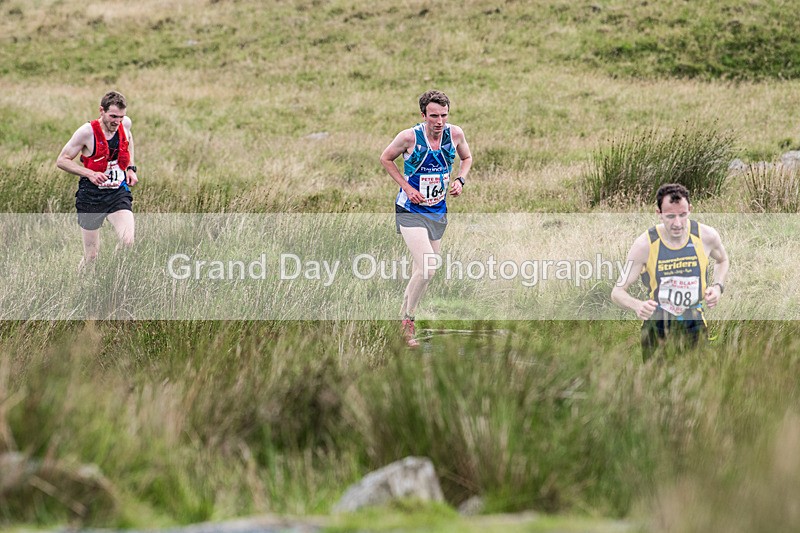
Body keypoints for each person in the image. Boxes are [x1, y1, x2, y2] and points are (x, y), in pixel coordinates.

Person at [379, 90, 473, 347]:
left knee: (425, 271)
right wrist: (407, 188)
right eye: (433, 116)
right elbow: (386, 158)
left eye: (443, 115)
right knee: (429, 266)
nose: (439, 121)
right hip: (410, 209)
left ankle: (400, 320)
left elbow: (467, 157)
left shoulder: (455, 134)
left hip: (437, 210)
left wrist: (460, 180)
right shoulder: (409, 137)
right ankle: (407, 324)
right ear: (424, 115)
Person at [611, 183, 730, 360]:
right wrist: (638, 305)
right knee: (658, 386)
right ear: (658, 213)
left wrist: (718, 287)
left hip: (694, 324)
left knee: (699, 385)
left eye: (683, 215)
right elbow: (617, 292)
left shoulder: (706, 235)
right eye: (670, 216)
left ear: (690, 209)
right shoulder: (644, 245)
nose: (677, 223)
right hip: (657, 327)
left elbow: (722, 260)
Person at [56, 91, 138, 270]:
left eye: (121, 117)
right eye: (113, 116)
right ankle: (81, 285)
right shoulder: (86, 132)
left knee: (127, 242)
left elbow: (129, 140)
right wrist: (89, 174)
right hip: (91, 196)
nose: (117, 121)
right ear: (102, 111)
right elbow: (61, 160)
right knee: (92, 256)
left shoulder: (125, 124)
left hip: (117, 192)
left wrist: (130, 168)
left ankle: (110, 277)